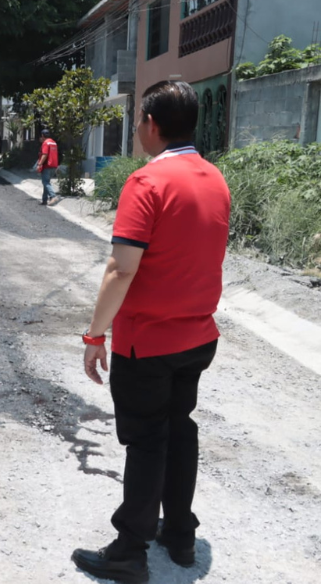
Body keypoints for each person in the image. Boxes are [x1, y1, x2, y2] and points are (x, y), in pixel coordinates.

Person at [72, 81, 231, 584]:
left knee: (146, 441)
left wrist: (95, 336)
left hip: (150, 341)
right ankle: (180, 535)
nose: (140, 129)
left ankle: (129, 549)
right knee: (179, 429)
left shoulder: (147, 182)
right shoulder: (214, 178)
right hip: (198, 337)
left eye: (140, 120)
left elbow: (122, 269)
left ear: (152, 125)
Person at [34, 129, 59, 206]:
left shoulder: (46, 143)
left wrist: (39, 164)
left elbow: (45, 154)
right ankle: (44, 199)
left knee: (45, 182)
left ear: (42, 136)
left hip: (47, 166)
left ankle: (53, 196)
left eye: (41, 136)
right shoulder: (53, 142)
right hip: (54, 166)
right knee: (46, 182)